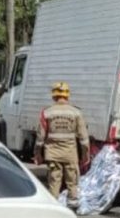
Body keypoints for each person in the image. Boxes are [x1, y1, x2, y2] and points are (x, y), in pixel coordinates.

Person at [34, 81, 90, 210]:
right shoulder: (76, 112)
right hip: (70, 154)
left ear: (54, 96)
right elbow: (83, 138)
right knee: (72, 181)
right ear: (67, 96)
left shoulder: (46, 112)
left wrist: (37, 154)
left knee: (54, 181)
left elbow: (40, 138)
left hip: (52, 154)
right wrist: (85, 154)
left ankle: (54, 208)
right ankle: (73, 207)